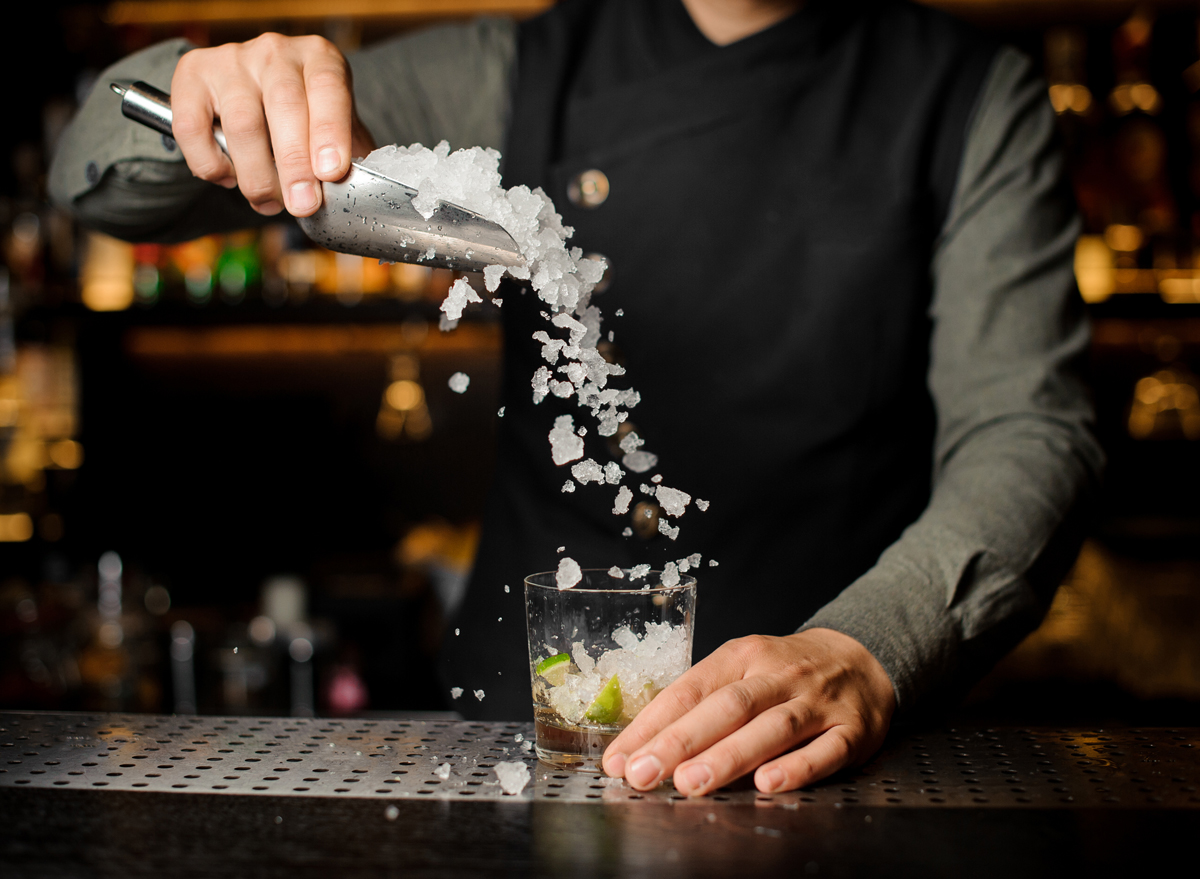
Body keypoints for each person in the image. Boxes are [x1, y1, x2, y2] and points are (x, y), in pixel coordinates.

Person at [50, 0, 1103, 796]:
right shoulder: (517, 67)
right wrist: (209, 85)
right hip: (515, 745)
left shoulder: (972, 98)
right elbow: (91, 177)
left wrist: (874, 648)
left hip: (830, 756)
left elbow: (1029, 429)